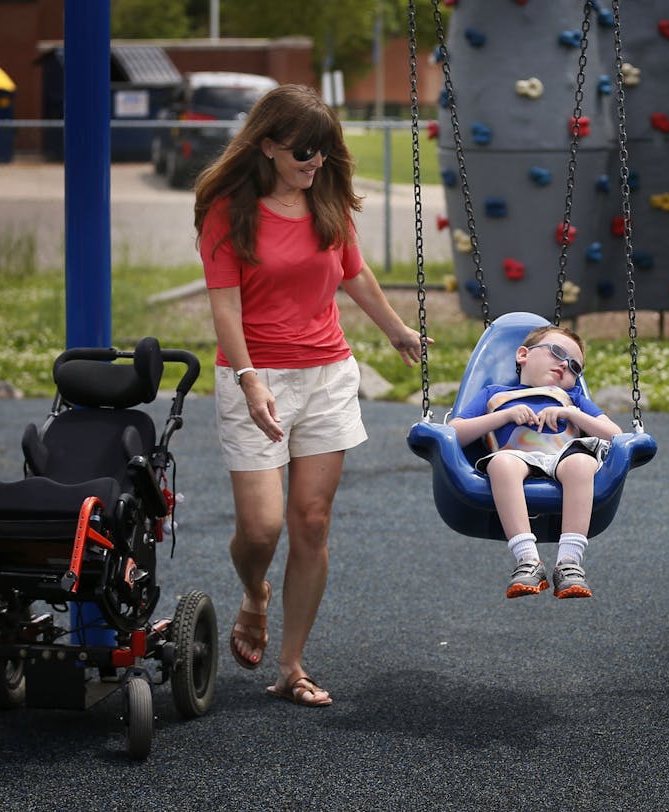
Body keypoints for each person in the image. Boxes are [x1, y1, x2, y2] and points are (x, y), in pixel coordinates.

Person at [195, 84, 427, 708]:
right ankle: (254, 593)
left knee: (311, 522)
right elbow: (225, 308)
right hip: (255, 376)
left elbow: (352, 273)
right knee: (262, 528)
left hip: (327, 375)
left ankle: (291, 664)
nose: (315, 161)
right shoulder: (227, 210)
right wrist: (249, 383)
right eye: (303, 150)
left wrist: (397, 330)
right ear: (267, 144)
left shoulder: (327, 201)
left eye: (323, 150)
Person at [449, 325, 624, 599]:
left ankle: (570, 563)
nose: (564, 365)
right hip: (515, 456)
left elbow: (616, 436)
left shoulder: (572, 399)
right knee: (502, 464)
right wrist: (504, 417)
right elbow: (455, 433)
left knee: (581, 463)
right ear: (523, 355)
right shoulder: (494, 394)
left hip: (563, 456)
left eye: (574, 366)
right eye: (557, 352)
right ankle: (527, 560)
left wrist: (572, 414)